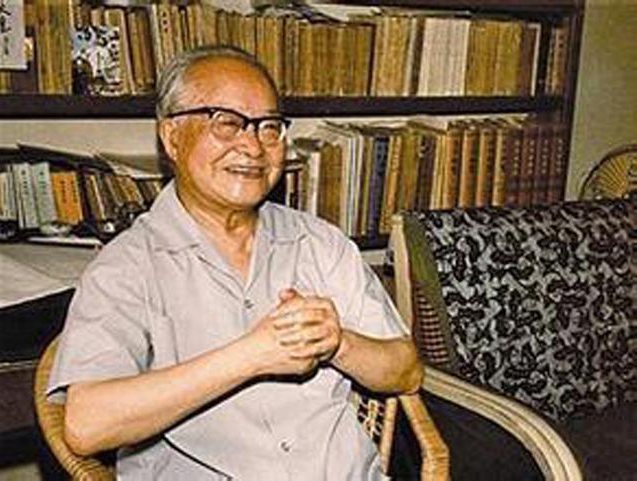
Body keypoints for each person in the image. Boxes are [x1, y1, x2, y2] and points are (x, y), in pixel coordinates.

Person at [47, 45, 423, 480]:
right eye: (227, 123)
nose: (253, 146)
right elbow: (87, 426)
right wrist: (251, 356)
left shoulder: (320, 243)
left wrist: (338, 344)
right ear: (171, 136)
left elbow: (406, 371)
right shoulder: (126, 267)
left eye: (269, 127)